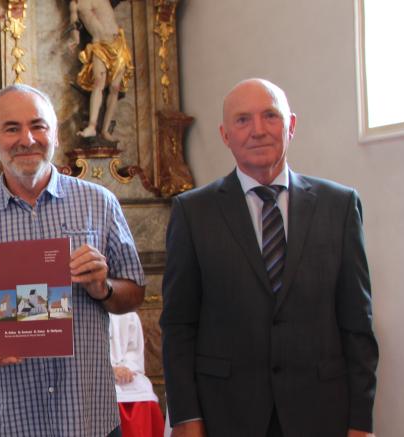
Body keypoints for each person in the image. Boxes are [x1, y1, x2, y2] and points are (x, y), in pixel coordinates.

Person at [161, 78, 378, 437]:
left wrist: (361, 422)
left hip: (321, 412)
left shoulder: (338, 206)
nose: (258, 130)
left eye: (270, 116)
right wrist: (186, 417)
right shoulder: (192, 212)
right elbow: (178, 327)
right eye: (243, 120)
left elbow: (358, 323)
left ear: (291, 125)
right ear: (225, 135)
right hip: (227, 414)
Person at [0, 84, 145, 436]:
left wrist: (102, 287)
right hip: (5, 420)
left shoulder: (100, 203)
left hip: (86, 417)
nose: (27, 139)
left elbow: (135, 292)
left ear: (56, 134)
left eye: (38, 126)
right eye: (11, 128)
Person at [70, 0, 132, 142]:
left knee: (115, 88)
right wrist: (76, 39)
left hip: (117, 43)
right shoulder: (76, 4)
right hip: (99, 45)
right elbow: (75, 23)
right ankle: (92, 126)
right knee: (98, 83)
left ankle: (105, 130)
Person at [109, 311, 164, 437]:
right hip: (91, 377)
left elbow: (134, 351)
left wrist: (126, 368)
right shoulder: (67, 303)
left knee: (144, 393)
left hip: (126, 374)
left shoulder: (127, 313)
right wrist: (108, 369)